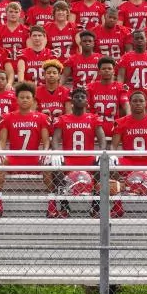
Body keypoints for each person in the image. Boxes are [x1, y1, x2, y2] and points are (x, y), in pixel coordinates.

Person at [0, 82, 52, 218]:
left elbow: (46, 141)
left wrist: (46, 152)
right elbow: (2, 141)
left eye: (27, 97)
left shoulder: (41, 117)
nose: (24, 100)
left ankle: (52, 203)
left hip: (33, 158)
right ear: (16, 99)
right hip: (14, 158)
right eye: (22, 97)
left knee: (48, 165)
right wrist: (0, 152)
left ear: (33, 100)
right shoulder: (7, 117)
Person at [49, 87, 107, 218]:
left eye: (82, 97)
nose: (79, 99)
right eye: (76, 97)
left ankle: (95, 207)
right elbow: (56, 139)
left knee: (103, 167)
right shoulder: (62, 119)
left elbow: (102, 139)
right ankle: (64, 207)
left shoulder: (94, 118)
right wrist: (56, 152)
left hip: (88, 158)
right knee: (55, 169)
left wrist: (102, 153)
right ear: (71, 101)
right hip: (69, 158)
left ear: (87, 101)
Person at [112, 92, 147, 218]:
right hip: (128, 161)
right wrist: (112, 156)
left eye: (141, 101)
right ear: (130, 103)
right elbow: (113, 146)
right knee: (110, 165)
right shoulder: (121, 122)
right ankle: (117, 206)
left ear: (145, 103)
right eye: (135, 101)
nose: (138, 103)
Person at [87, 56, 130, 138]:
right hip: (94, 129)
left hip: (114, 129)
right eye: (104, 68)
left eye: (109, 68)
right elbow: (85, 108)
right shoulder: (91, 87)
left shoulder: (120, 87)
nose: (106, 70)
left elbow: (126, 106)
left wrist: (128, 121)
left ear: (114, 71)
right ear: (99, 72)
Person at [35, 59, 71, 126]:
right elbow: (32, 114)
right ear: (44, 75)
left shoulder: (65, 91)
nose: (51, 75)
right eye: (48, 73)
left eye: (54, 73)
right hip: (42, 126)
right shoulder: (37, 91)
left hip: (60, 127)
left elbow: (69, 114)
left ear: (59, 75)